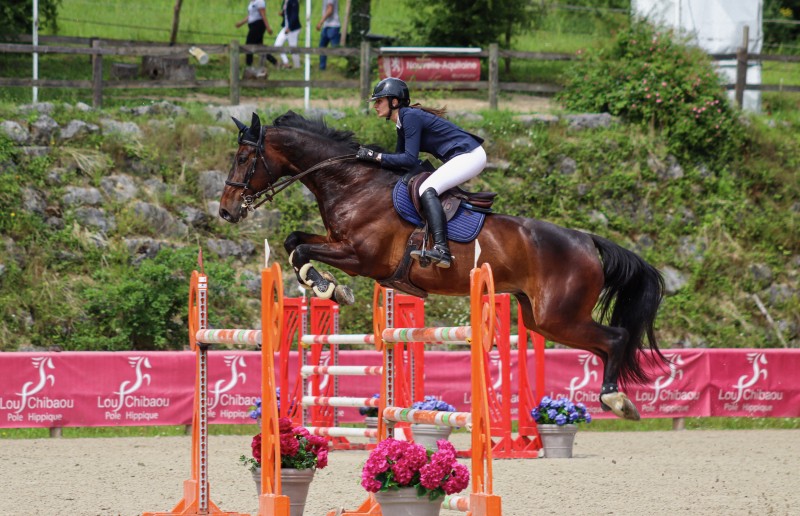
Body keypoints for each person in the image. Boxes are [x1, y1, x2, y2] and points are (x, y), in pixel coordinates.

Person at [355, 77, 487, 269]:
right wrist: (371, 160)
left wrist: (376, 156)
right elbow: (402, 161)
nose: (375, 105)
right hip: (463, 155)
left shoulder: (410, 117)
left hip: (470, 155)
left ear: (394, 102)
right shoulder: (402, 122)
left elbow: (408, 159)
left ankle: (442, 250)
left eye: (379, 101)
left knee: (427, 188)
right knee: (426, 185)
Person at [236, 0, 277, 67]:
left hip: (258, 25)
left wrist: (268, 28)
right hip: (253, 25)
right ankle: (274, 62)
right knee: (259, 47)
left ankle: (249, 65)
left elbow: (263, 15)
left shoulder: (260, 2)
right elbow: (250, 16)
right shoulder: (252, 2)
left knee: (248, 44)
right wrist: (241, 23)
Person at [274, 0, 301, 69]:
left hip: (293, 29)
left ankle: (297, 66)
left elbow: (295, 15)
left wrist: (290, 27)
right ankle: (286, 63)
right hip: (285, 27)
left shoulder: (294, 1)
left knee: (293, 48)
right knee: (277, 45)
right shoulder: (285, 1)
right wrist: (282, 14)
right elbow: (287, 12)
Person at [315, 0, 340, 71]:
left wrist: (321, 22)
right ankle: (322, 67)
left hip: (333, 25)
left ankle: (342, 38)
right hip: (327, 25)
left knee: (336, 49)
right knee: (322, 47)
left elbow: (330, 10)